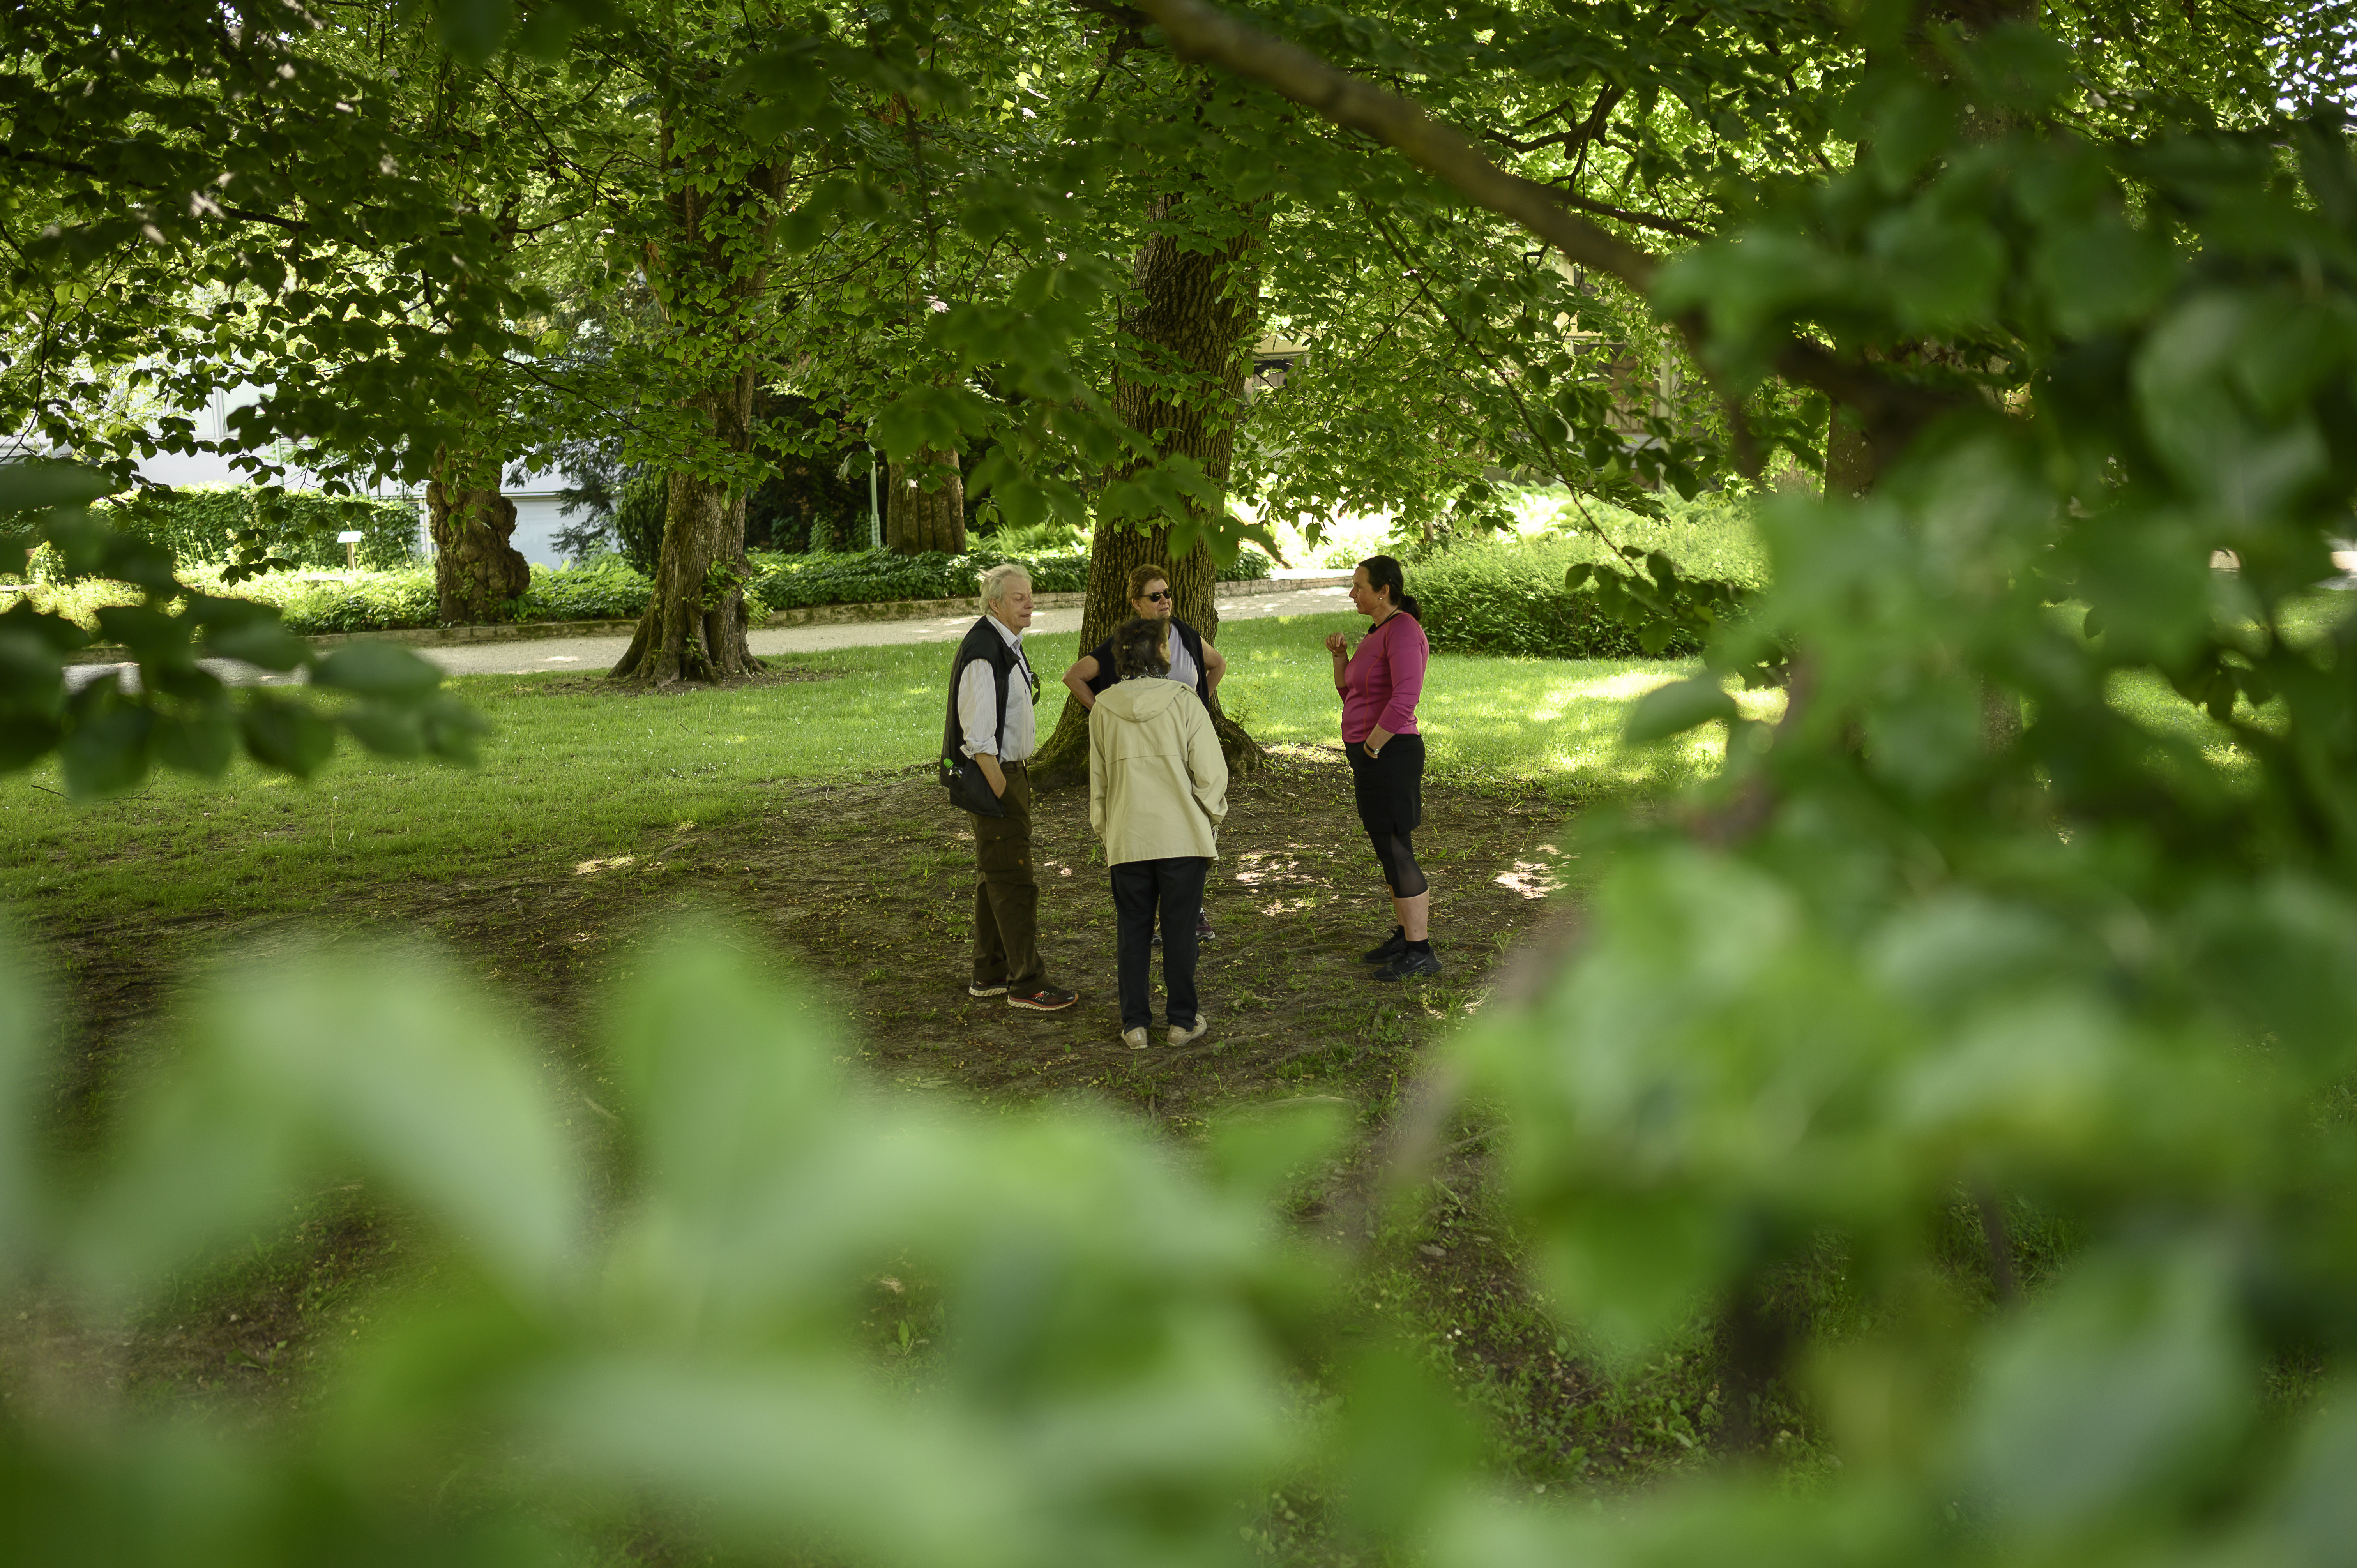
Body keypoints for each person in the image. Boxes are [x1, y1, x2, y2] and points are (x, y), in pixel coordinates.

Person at [1063, 563, 1228, 946]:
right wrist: (1102, 709)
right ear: (1137, 604)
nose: (1165, 601)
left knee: (1198, 823)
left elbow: (1217, 664)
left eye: (1167, 593)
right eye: (1155, 596)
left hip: (1185, 749)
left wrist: (1200, 705)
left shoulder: (1186, 635)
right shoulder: (1125, 643)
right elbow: (1074, 676)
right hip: (1143, 756)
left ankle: (1192, 910)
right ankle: (1154, 919)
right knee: (1150, 832)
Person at [1089, 615, 1229, 1048]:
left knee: (1132, 931)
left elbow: (1099, 787)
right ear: (1162, 655)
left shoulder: (1103, 710)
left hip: (1128, 837)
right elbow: (1211, 775)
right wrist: (1208, 818)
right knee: (1180, 930)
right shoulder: (1185, 702)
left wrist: (1109, 833)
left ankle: (1134, 1024)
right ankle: (1181, 1022)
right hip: (1181, 837)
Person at [944, 563, 1077, 1013]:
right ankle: (1027, 983)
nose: (1030, 603)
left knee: (995, 876)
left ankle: (990, 971)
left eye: (1031, 595)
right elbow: (978, 739)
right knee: (1014, 880)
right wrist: (1005, 792)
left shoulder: (1004, 644)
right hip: (997, 778)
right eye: (1020, 598)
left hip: (1010, 774)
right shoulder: (984, 652)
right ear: (995, 603)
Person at [1324, 554, 1438, 980]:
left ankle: (1420, 949)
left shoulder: (1404, 630)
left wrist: (1372, 747)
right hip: (1372, 753)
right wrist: (1341, 656)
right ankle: (1406, 934)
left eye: (1358, 586)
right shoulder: (1378, 632)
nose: (1353, 594)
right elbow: (1353, 693)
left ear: (1383, 590)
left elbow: (1407, 696)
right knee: (1387, 847)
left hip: (1391, 753)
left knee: (1395, 847)